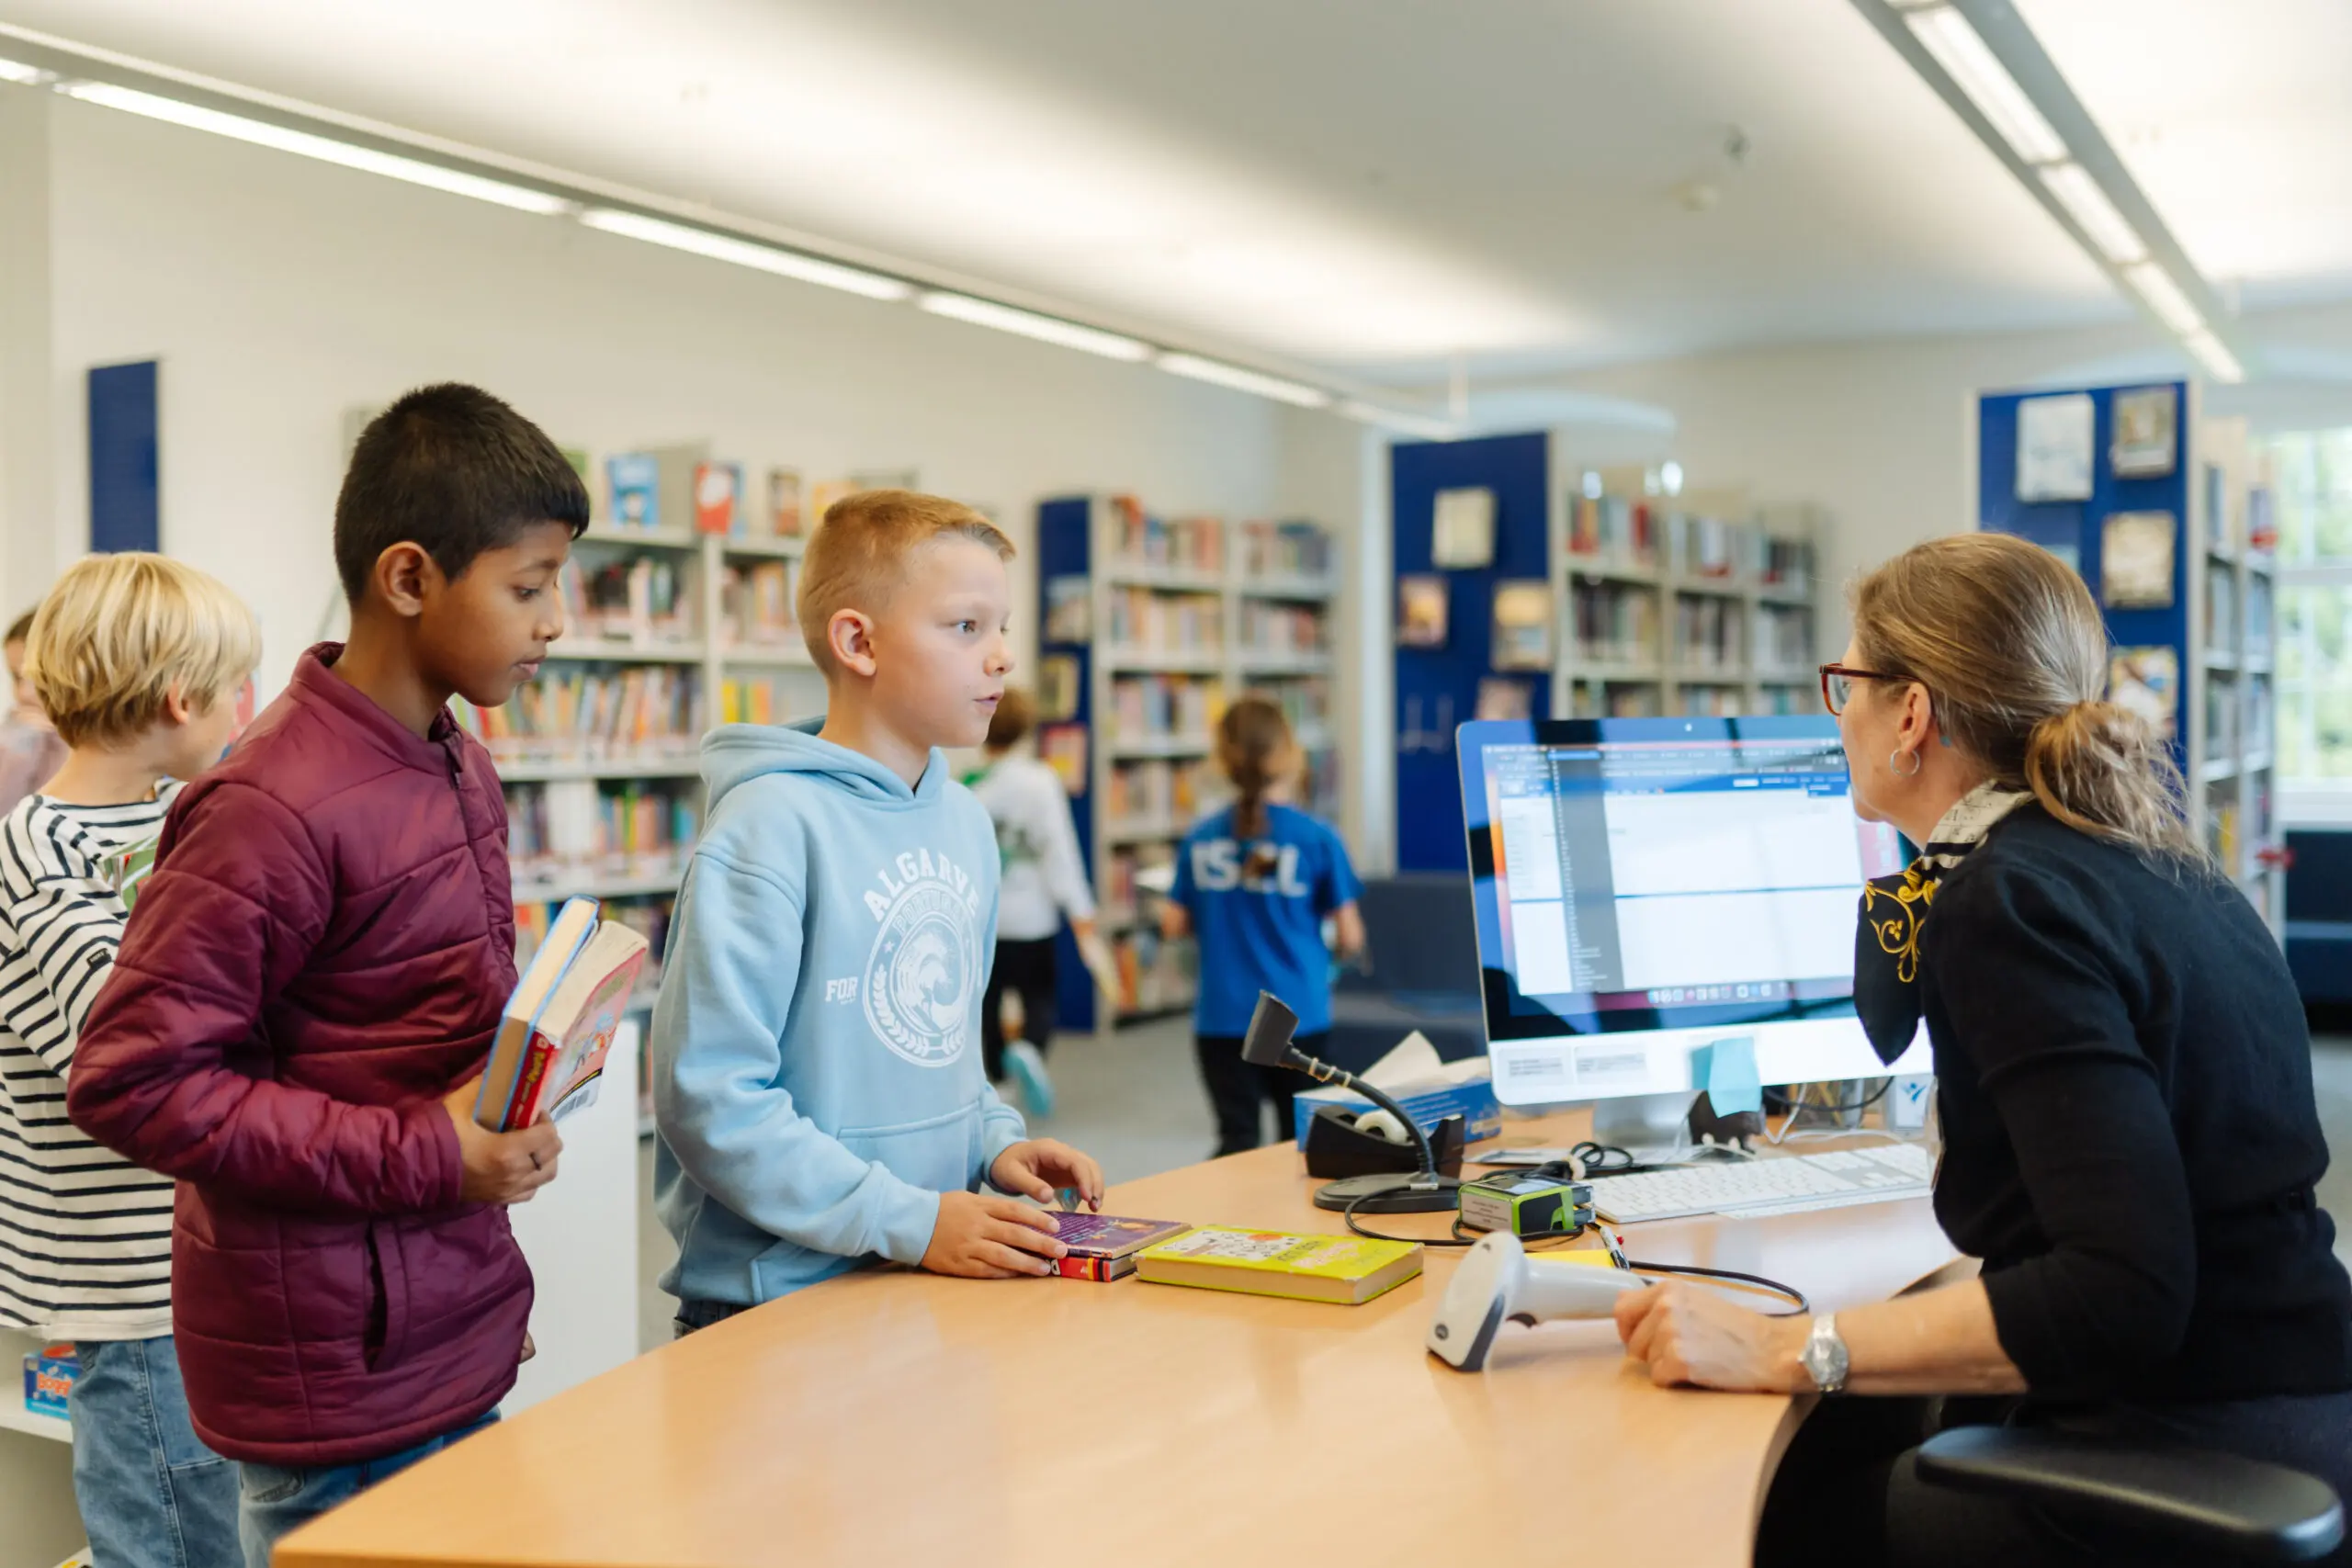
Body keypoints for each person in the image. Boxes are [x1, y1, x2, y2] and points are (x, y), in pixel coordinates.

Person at [1608, 533, 2352, 1568]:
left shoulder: (2007, 902)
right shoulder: (2150, 865)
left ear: (1909, 714)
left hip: (2193, 1440)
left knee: (1747, 1515)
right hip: (2291, 1408)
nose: (1843, 718)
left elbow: (2120, 1292)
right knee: (1865, 1428)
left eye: (1847, 687)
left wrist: (1787, 1344)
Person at [67, 383, 583, 1568]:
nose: (556, 620)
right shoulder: (274, 803)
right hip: (331, 1364)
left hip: (444, 1314)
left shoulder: (456, 759)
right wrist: (433, 1151)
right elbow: (134, 1080)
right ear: (408, 579)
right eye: (528, 585)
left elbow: (399, 1020)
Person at [653, 489, 1105, 1338]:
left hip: (917, 1269)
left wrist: (992, 1142)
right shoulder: (769, 828)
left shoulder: (966, 822)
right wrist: (912, 1217)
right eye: (966, 628)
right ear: (857, 640)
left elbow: (944, 1046)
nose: (1003, 657)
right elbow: (709, 1098)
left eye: (1001, 626)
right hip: (774, 1300)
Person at [0, 556, 258, 1568]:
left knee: (222, 1521)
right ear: (181, 698)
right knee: (168, 1534)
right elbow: (135, 1047)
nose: (248, 709)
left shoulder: (182, 816)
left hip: (202, 1254)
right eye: (237, 687)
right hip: (128, 1280)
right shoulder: (39, 851)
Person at [1162, 694, 1363, 1157]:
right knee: (1302, 1143)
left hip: (1222, 1017)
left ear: (1222, 759)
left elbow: (1174, 924)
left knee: (1237, 1140)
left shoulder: (1200, 838)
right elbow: (1351, 936)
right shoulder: (1317, 838)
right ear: (1289, 755)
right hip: (1301, 1014)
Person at [968, 683, 1105, 1117]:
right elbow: (1059, 852)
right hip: (1033, 919)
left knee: (987, 1003)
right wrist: (1081, 913)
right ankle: (1030, 1048)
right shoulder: (1040, 781)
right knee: (1040, 996)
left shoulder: (967, 783)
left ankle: (1000, 1081)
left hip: (983, 918)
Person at [0, 607, 69, 812]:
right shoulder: (14, 735)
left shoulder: (88, 745)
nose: (24, 693)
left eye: (37, 677)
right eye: (17, 678)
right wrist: (16, 751)